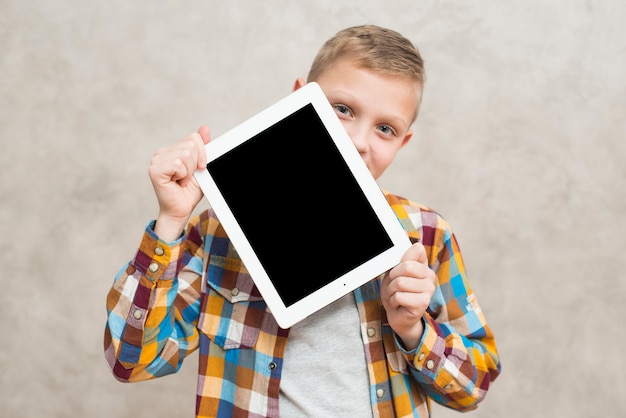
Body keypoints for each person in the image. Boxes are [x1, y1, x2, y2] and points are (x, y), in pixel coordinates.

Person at [104, 24, 501, 418]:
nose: (359, 141)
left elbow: (474, 387)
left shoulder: (426, 234)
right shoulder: (217, 232)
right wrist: (171, 221)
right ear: (299, 99)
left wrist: (415, 332)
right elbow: (131, 361)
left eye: (385, 129)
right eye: (343, 109)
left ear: (403, 142)